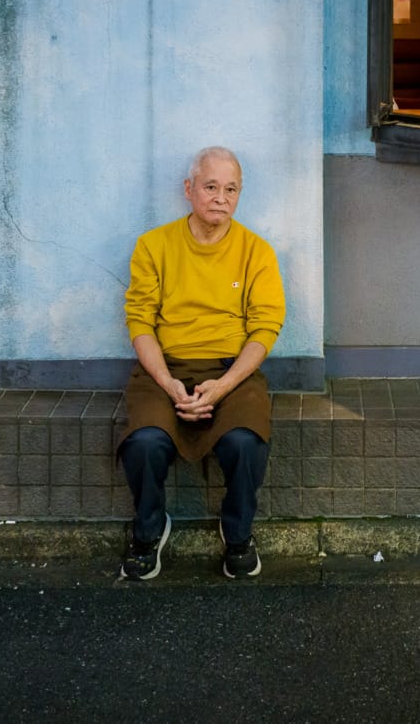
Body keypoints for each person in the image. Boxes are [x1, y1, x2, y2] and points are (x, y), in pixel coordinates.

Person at [117, 146, 286, 581]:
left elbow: (265, 329)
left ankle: (238, 533)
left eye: (231, 189)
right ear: (189, 189)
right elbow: (140, 322)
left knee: (245, 443)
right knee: (145, 443)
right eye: (211, 187)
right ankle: (150, 529)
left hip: (232, 369)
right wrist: (169, 383)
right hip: (164, 368)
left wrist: (224, 385)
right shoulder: (154, 246)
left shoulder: (256, 252)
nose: (221, 198)